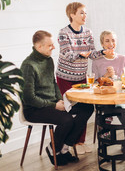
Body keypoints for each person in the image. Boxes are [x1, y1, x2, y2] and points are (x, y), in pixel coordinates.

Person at [21, 30, 94, 166]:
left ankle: (64, 148)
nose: (54, 47)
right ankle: (53, 149)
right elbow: (29, 98)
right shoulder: (28, 66)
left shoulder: (48, 60)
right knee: (67, 120)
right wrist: (54, 106)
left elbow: (53, 83)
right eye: (50, 45)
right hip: (34, 109)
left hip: (52, 104)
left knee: (86, 108)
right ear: (39, 47)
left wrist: (61, 100)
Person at [56, 2, 113, 154]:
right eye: (81, 13)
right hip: (65, 77)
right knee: (72, 110)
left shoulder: (88, 32)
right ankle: (66, 143)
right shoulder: (63, 33)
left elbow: (92, 54)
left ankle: (79, 142)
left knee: (86, 107)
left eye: (85, 13)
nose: (85, 16)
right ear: (72, 15)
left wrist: (103, 52)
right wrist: (82, 55)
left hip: (81, 77)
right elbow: (67, 55)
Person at [92, 30, 125, 140]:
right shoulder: (97, 60)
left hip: (120, 96)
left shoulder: (122, 58)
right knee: (108, 105)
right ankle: (120, 130)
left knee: (119, 106)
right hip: (104, 97)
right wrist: (106, 76)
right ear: (102, 44)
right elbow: (94, 83)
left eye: (113, 40)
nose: (111, 43)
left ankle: (124, 131)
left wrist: (117, 78)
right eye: (107, 41)